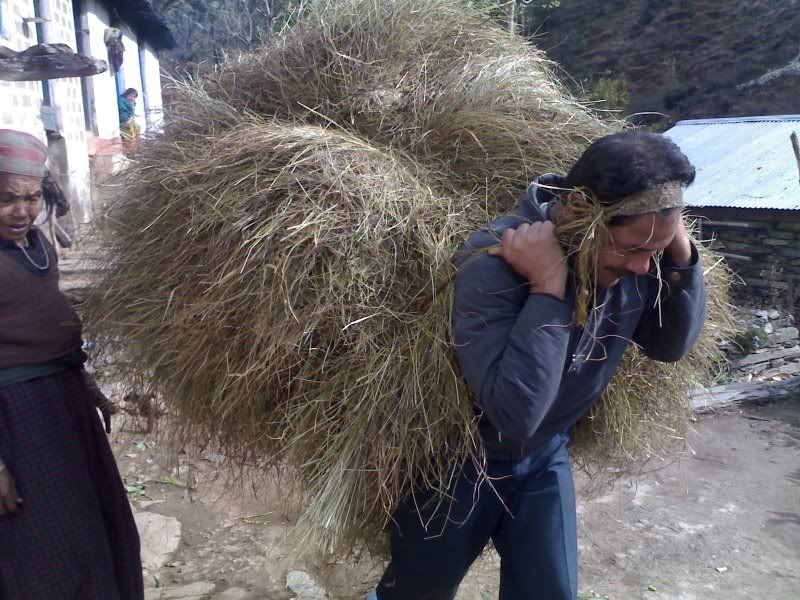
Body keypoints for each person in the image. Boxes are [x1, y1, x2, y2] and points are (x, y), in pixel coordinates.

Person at [369, 131, 707, 600]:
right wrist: (549, 286)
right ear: (579, 212)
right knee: (415, 593)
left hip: (546, 456)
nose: (641, 268)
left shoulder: (641, 255)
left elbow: (669, 346)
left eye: (654, 252)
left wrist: (679, 255)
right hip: (460, 464)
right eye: (631, 250)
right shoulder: (493, 260)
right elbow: (516, 412)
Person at [0, 129, 143, 599]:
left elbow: (49, 317)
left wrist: (85, 383)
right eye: (6, 199)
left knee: (92, 524)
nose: (22, 211)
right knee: (42, 550)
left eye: (31, 197)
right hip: (16, 416)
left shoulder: (36, 245)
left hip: (63, 403)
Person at [118, 87, 140, 154]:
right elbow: (123, 114)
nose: (132, 98)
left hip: (129, 120)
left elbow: (132, 114)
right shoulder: (122, 101)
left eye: (134, 97)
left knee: (137, 128)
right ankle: (129, 151)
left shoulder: (131, 103)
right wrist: (128, 120)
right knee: (129, 131)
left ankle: (133, 149)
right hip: (123, 122)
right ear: (126, 95)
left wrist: (130, 119)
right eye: (130, 95)